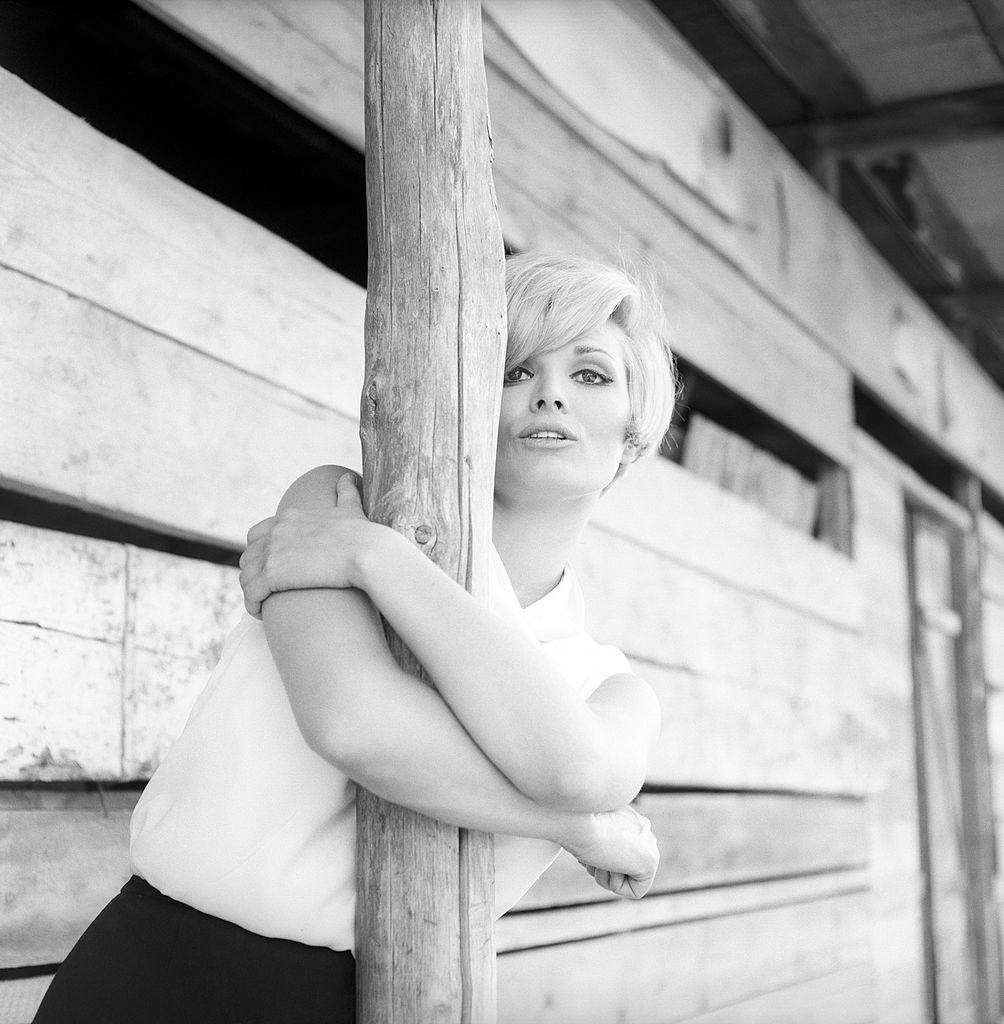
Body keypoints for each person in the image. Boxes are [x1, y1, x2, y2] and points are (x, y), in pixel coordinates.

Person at [33, 252, 680, 1024]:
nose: (548, 393)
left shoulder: (612, 690)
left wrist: (374, 561)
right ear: (472, 392)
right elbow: (353, 722)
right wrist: (570, 829)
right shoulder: (334, 501)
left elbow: (576, 769)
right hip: (150, 975)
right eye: (514, 371)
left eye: (591, 375)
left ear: (634, 432)